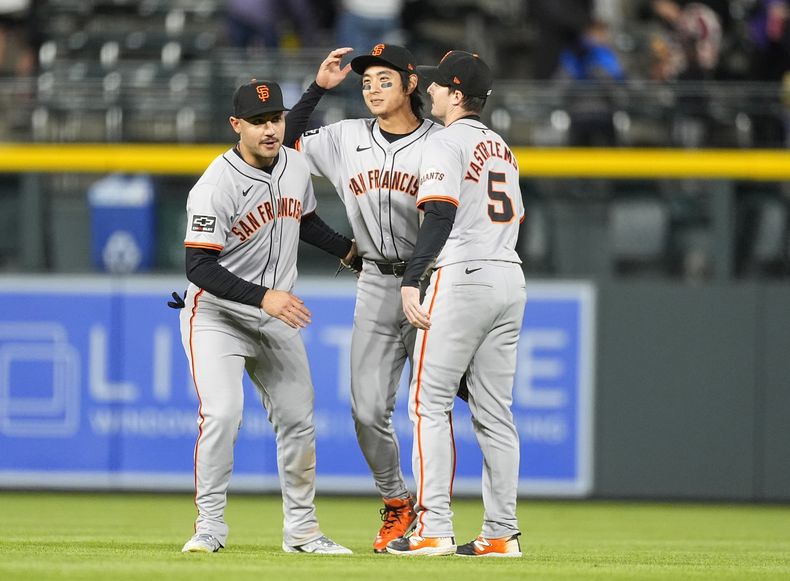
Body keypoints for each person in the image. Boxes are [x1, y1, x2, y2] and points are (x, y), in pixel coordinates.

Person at [178, 79, 355, 555]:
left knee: (298, 419)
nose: (270, 129)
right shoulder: (216, 184)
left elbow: (304, 220)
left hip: (274, 315)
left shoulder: (294, 165)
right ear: (236, 125)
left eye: (275, 119)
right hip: (217, 315)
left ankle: (302, 533)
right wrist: (264, 298)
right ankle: (209, 527)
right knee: (222, 414)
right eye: (257, 122)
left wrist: (346, 249)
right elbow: (197, 267)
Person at [283, 44, 444, 553]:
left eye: (384, 80)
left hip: (434, 282)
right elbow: (279, 143)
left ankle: (446, 519)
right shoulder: (345, 136)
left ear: (411, 84)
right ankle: (398, 503)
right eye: (367, 81)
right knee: (367, 409)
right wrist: (317, 90)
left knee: (436, 406)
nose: (372, 89)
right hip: (375, 281)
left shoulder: (441, 142)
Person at [386, 51, 527, 558]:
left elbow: (440, 214)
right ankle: (501, 533)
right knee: (495, 413)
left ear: (458, 93)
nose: (431, 90)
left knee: (429, 401)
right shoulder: (502, 148)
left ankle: (433, 528)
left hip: (464, 274)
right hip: (509, 275)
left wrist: (412, 279)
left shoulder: (446, 141)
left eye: (440, 84)